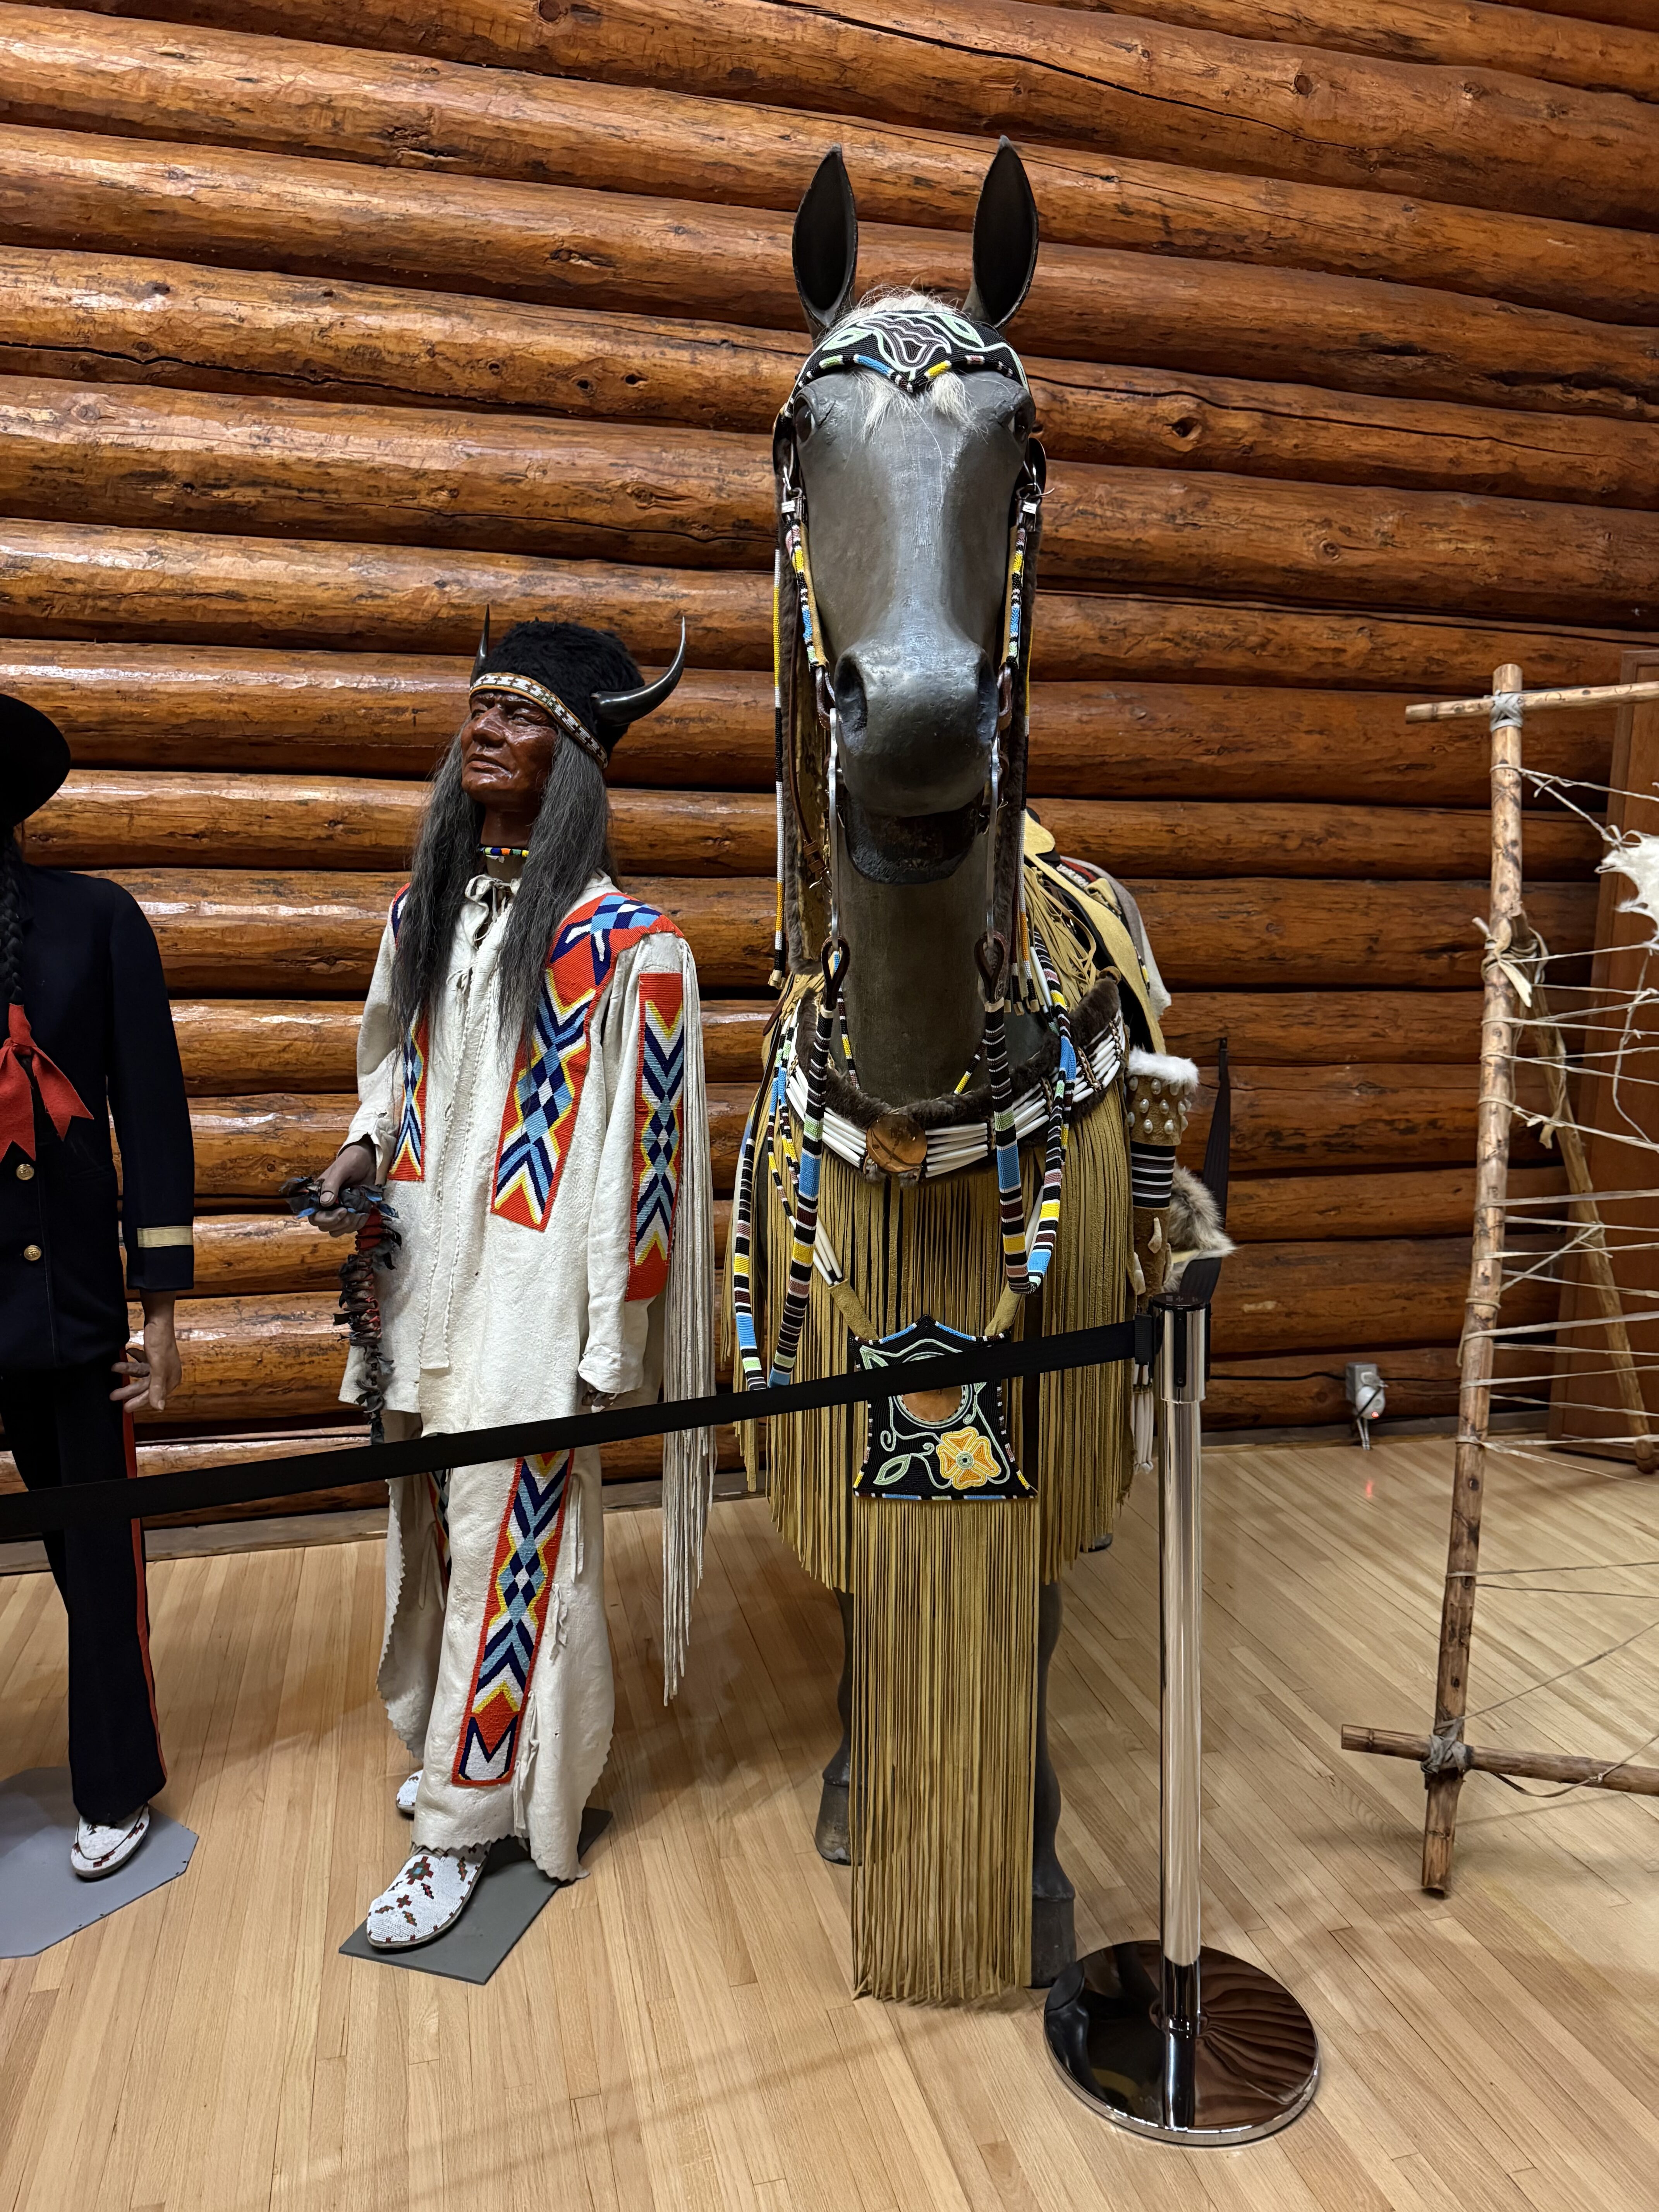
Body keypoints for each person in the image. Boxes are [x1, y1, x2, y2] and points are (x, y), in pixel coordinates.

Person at [312, 618, 715, 1950]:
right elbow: (389, 1063)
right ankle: (473, 1762)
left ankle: (461, 1831)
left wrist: (615, 1346)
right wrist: (364, 1151)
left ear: (579, 758)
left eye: (522, 716)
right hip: (427, 1268)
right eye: (478, 708)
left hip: (539, 1295)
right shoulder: (422, 912)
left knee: (508, 1537)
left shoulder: (631, 952)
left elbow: (644, 1171)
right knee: (433, 1527)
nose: (483, 729)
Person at [0, 693, 194, 1879]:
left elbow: (154, 1123)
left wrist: (162, 1314)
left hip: (69, 1309)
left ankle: (115, 1781)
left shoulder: (96, 921)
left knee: (97, 1559)